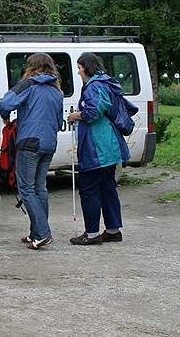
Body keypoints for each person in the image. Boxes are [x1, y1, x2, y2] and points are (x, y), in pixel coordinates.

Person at [0, 53, 64, 250]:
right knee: (39, 187)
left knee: (26, 187)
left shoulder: (29, 84)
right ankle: (35, 233)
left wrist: (5, 117)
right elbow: (59, 121)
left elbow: (6, 103)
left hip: (29, 141)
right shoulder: (57, 90)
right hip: (49, 142)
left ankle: (43, 233)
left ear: (30, 67)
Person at [66, 52, 127, 245]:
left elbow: (93, 113)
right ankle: (113, 230)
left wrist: (75, 116)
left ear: (86, 67)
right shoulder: (106, 82)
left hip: (98, 147)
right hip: (110, 145)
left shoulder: (94, 86)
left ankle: (91, 234)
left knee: (89, 188)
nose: (78, 72)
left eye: (79, 68)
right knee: (107, 188)